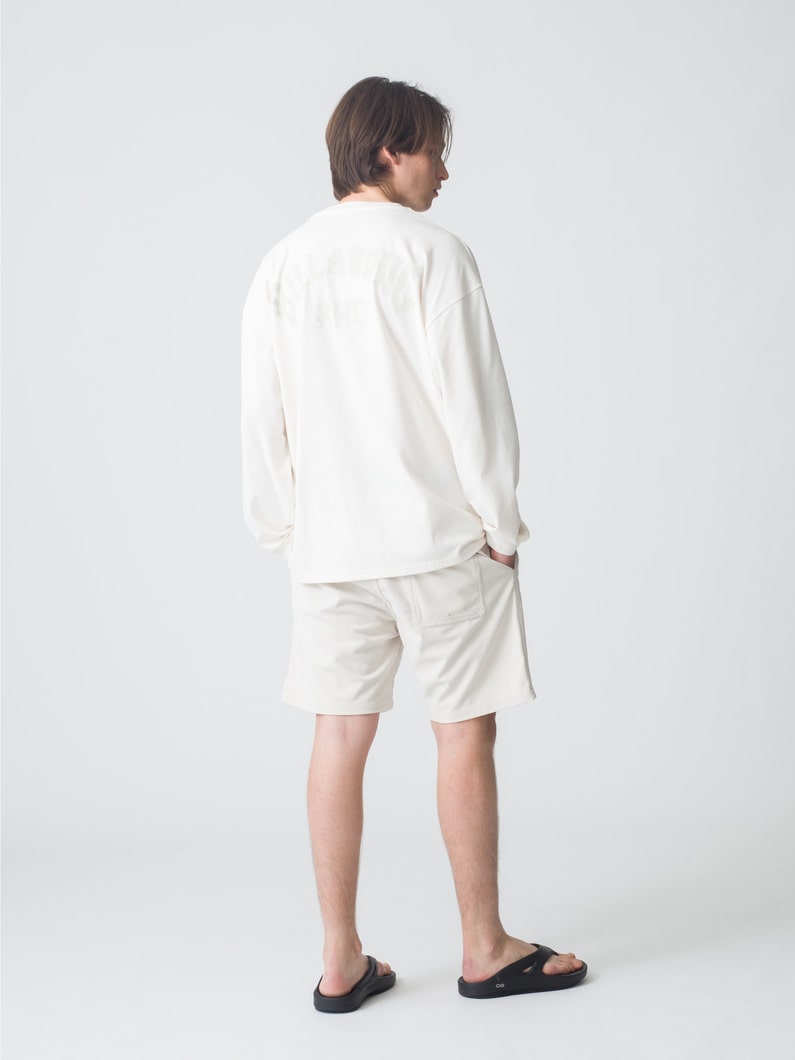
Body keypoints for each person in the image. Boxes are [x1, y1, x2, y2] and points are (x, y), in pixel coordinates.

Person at [241, 75, 587, 1012]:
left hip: (328, 550)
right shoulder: (433, 252)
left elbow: (260, 412)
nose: (444, 170)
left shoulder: (281, 263)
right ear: (390, 149)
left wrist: (283, 526)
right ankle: (484, 948)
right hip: (438, 541)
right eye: (434, 149)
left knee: (336, 734)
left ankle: (340, 961)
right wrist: (500, 526)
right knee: (462, 730)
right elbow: (476, 404)